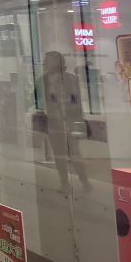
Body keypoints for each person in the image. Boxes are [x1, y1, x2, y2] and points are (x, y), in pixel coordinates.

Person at [42, 51, 92, 191]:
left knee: (73, 152)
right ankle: (64, 182)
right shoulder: (44, 80)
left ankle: (84, 181)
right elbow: (40, 98)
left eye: (49, 61)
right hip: (54, 122)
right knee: (59, 154)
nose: (46, 64)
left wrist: (65, 105)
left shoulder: (70, 79)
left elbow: (76, 100)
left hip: (71, 120)